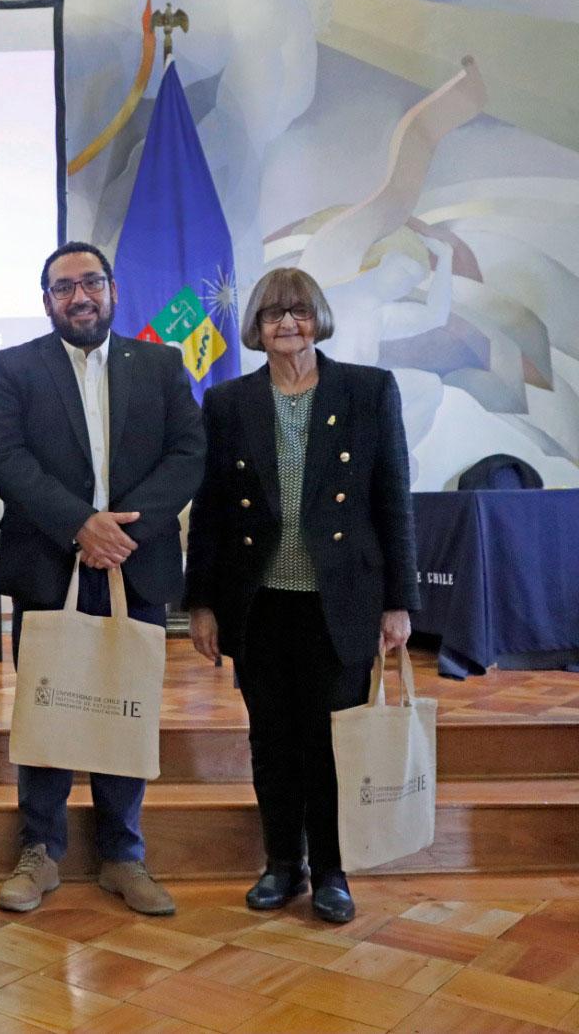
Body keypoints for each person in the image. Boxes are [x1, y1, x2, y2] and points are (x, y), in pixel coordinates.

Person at [184, 266, 418, 924]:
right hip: (259, 602)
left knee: (332, 740)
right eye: (274, 315)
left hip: (339, 600)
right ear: (257, 329)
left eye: (300, 312)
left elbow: (392, 501)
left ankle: (333, 872)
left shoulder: (368, 390)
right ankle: (283, 863)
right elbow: (211, 511)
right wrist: (200, 601)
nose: (288, 324)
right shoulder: (228, 402)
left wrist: (398, 601)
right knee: (273, 739)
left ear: (319, 318)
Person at [0, 241, 204, 916]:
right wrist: (80, 523)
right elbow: (3, 455)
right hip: (50, 562)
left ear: (112, 289)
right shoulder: (15, 367)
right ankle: (41, 850)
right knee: (48, 703)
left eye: (91, 283)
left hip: (135, 564)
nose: (79, 297)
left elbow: (189, 452)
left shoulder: (161, 364)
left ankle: (123, 854)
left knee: (122, 704)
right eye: (63, 288)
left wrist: (126, 531)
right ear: (46, 300)